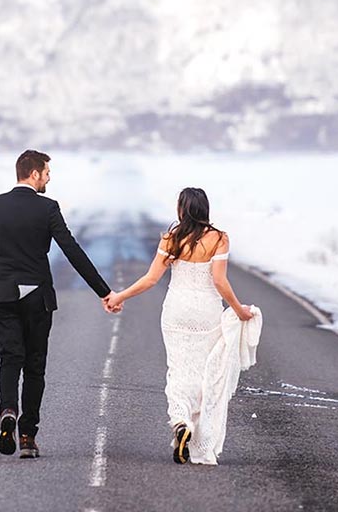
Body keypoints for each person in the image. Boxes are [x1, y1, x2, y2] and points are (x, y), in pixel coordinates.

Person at [0, 149, 119, 459]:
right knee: (34, 367)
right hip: (37, 297)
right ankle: (27, 436)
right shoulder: (47, 208)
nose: (49, 177)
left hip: (3, 295)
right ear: (34, 173)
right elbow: (72, 251)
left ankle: (7, 410)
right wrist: (103, 291)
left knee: (9, 358)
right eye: (47, 172)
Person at [106, 187, 261, 465]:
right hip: (206, 312)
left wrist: (119, 296)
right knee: (205, 374)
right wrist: (239, 311)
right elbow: (219, 281)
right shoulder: (219, 238)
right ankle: (198, 434)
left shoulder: (171, 238)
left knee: (178, 370)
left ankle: (180, 421)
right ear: (205, 208)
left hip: (176, 310)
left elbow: (151, 279)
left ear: (182, 209)